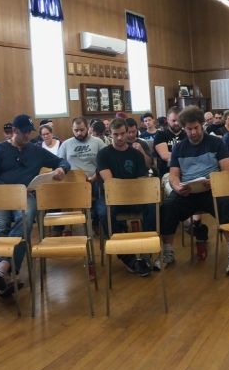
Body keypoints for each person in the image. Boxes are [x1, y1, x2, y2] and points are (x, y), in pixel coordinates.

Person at [0, 114, 71, 296]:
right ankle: (5, 276)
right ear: (14, 131)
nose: (27, 137)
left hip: (26, 196)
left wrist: (62, 169)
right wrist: (13, 189)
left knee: (25, 218)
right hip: (0, 196)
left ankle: (2, 267)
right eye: (24, 133)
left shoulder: (35, 150)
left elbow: (62, 161)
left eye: (29, 133)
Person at [159, 106, 229, 265]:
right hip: (188, 191)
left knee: (225, 204)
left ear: (202, 124)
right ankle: (168, 252)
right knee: (168, 207)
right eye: (189, 129)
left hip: (212, 189)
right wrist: (177, 187)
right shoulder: (178, 148)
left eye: (196, 128)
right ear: (183, 128)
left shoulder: (216, 143)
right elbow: (174, 175)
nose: (193, 132)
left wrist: (213, 181)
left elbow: (227, 171)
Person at [96, 118, 157, 276]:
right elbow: (110, 183)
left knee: (153, 207)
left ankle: (146, 252)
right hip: (111, 197)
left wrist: (133, 186)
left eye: (123, 134)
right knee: (103, 213)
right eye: (116, 134)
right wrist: (129, 184)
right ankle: (128, 258)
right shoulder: (103, 154)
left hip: (134, 196)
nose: (120, 138)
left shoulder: (136, 154)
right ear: (110, 134)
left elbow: (141, 180)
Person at [57, 116, 107, 232]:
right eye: (76, 130)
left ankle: (98, 220)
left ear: (88, 128)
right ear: (72, 129)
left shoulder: (97, 142)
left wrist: (95, 176)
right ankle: (60, 227)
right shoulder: (66, 144)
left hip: (94, 179)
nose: (79, 133)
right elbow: (59, 163)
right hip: (73, 182)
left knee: (100, 191)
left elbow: (105, 162)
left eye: (82, 130)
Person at [153, 105, 186, 180]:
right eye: (174, 120)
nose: (177, 123)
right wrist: (186, 156)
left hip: (187, 172)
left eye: (179, 120)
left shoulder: (187, 134)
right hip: (168, 173)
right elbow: (165, 156)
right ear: (168, 120)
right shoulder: (161, 135)